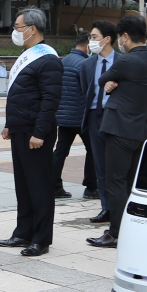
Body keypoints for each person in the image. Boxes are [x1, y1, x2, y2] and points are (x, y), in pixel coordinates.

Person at [87, 15, 147, 248]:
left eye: (120, 38)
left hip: (119, 129)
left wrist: (113, 82)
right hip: (139, 130)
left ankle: (115, 233)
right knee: (129, 184)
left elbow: (104, 79)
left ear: (126, 37)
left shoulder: (127, 61)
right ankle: (129, 229)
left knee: (115, 183)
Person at [0, 8, 62, 257]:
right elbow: (20, 96)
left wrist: (40, 132)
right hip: (21, 129)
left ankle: (41, 238)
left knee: (40, 186)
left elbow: (50, 100)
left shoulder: (48, 59)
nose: (15, 31)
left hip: (36, 133)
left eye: (18, 26)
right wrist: (10, 123)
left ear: (32, 29)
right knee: (23, 185)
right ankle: (23, 231)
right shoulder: (27, 56)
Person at [52, 33, 97, 201]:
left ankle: (54, 185)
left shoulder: (63, 61)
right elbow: (89, 91)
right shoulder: (85, 64)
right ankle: (91, 187)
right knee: (93, 150)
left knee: (61, 151)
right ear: (87, 46)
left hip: (63, 116)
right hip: (81, 117)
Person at [80, 21, 116, 226]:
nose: (91, 41)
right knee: (100, 164)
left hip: (114, 117)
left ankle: (118, 204)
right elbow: (86, 90)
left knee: (115, 163)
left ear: (107, 39)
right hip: (94, 116)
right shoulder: (87, 64)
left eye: (94, 37)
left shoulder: (122, 61)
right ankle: (106, 207)